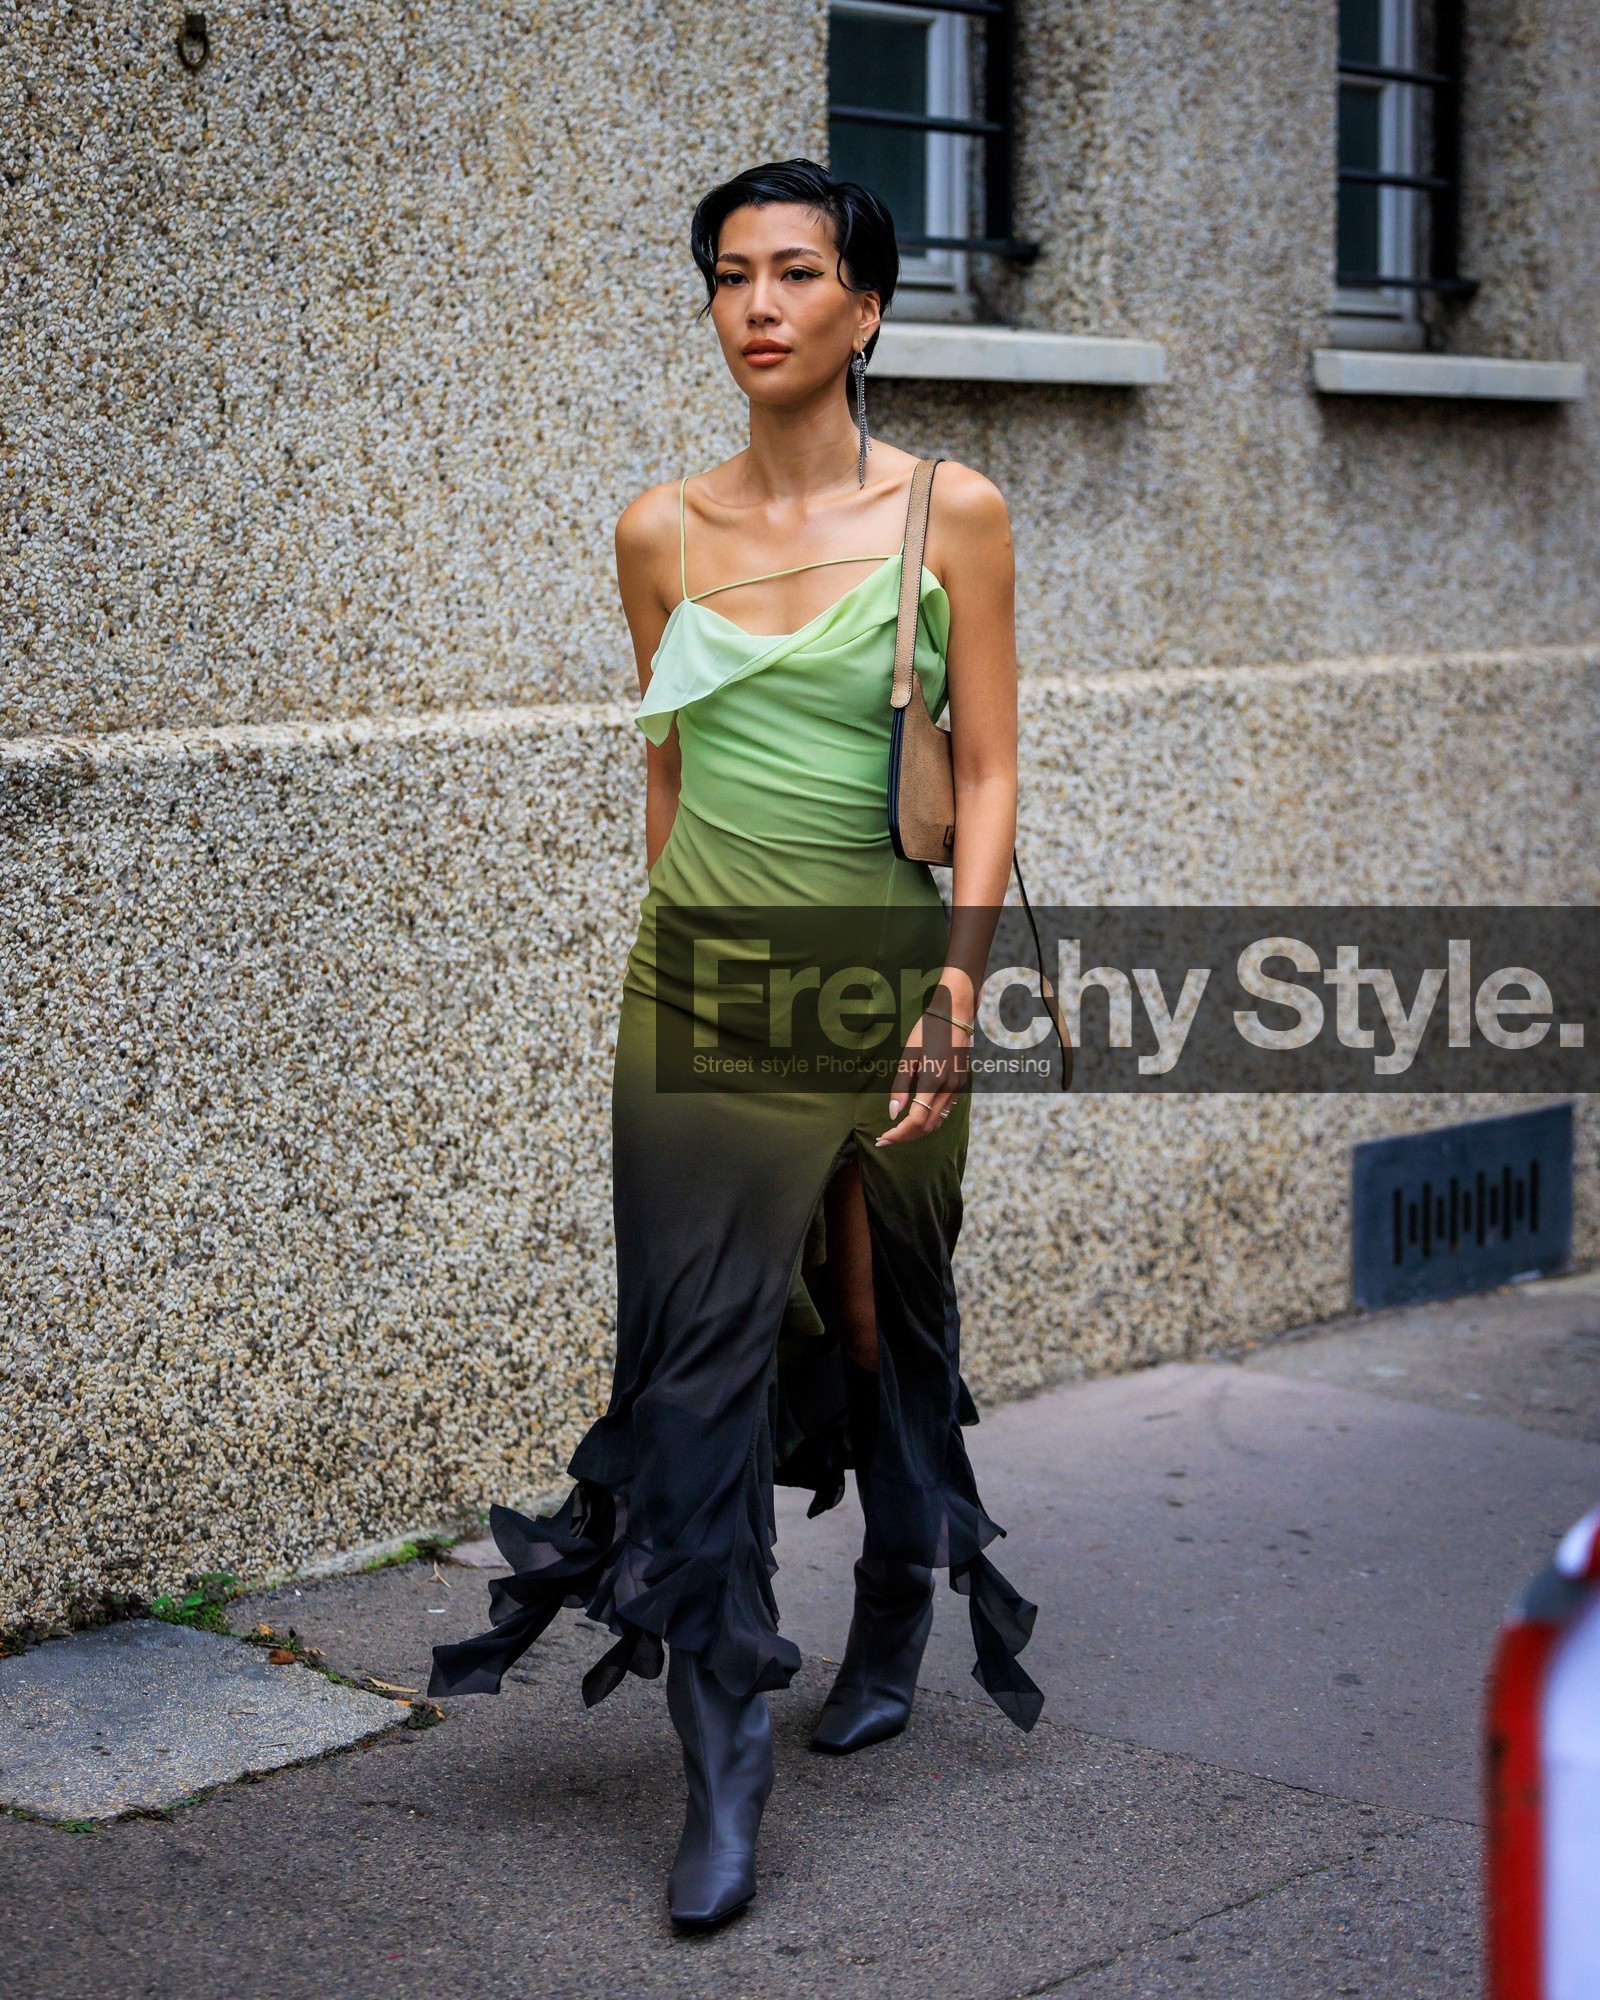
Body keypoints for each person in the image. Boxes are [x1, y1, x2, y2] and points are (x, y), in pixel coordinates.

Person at [430, 157, 1041, 1930]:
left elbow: (991, 768)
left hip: (885, 990)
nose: (756, 305)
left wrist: (957, 989)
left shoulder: (955, 513)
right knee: (690, 1375)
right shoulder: (660, 531)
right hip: (702, 997)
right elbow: (669, 769)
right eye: (727, 276)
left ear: (865, 304)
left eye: (794, 273)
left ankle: (899, 1599)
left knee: (874, 1318)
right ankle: (722, 1764)